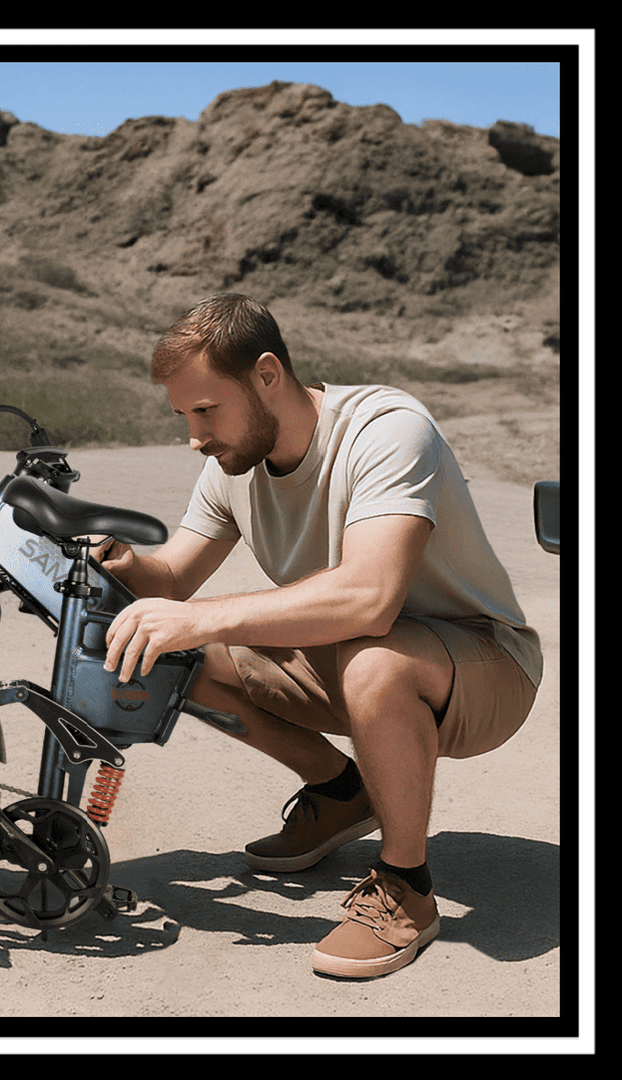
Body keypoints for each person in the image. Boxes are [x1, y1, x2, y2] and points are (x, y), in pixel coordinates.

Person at [98, 293, 541, 979]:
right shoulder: (230, 467)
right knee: (172, 654)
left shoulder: (386, 429)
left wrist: (206, 615)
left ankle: (407, 888)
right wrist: (125, 564)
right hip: (357, 655)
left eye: (206, 410)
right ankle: (341, 794)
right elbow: (174, 580)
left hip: (483, 666)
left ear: (267, 375)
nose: (194, 436)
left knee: (373, 660)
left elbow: (369, 597)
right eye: (184, 415)